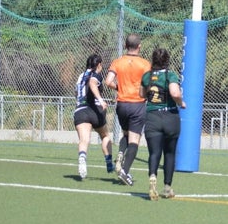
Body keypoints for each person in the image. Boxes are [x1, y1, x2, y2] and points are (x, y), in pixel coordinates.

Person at [105, 33, 151, 186]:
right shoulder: (145, 64)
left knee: (125, 134)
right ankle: (125, 170)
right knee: (135, 140)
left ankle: (120, 154)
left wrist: (119, 87)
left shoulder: (118, 62)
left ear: (125, 46)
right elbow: (148, 84)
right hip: (137, 104)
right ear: (139, 46)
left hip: (122, 104)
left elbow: (108, 81)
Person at [140, 48, 186, 200]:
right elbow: (175, 93)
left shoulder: (147, 76)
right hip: (170, 116)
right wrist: (181, 102)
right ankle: (167, 187)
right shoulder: (170, 75)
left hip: (152, 116)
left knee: (154, 153)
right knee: (169, 153)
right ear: (167, 60)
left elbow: (141, 94)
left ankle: (153, 176)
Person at [74, 54, 114, 179]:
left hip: (80, 110)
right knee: (105, 136)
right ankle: (108, 162)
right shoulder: (95, 74)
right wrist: (101, 100)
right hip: (95, 109)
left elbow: (77, 93)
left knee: (84, 140)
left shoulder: (81, 76)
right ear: (99, 65)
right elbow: (92, 83)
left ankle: (82, 159)